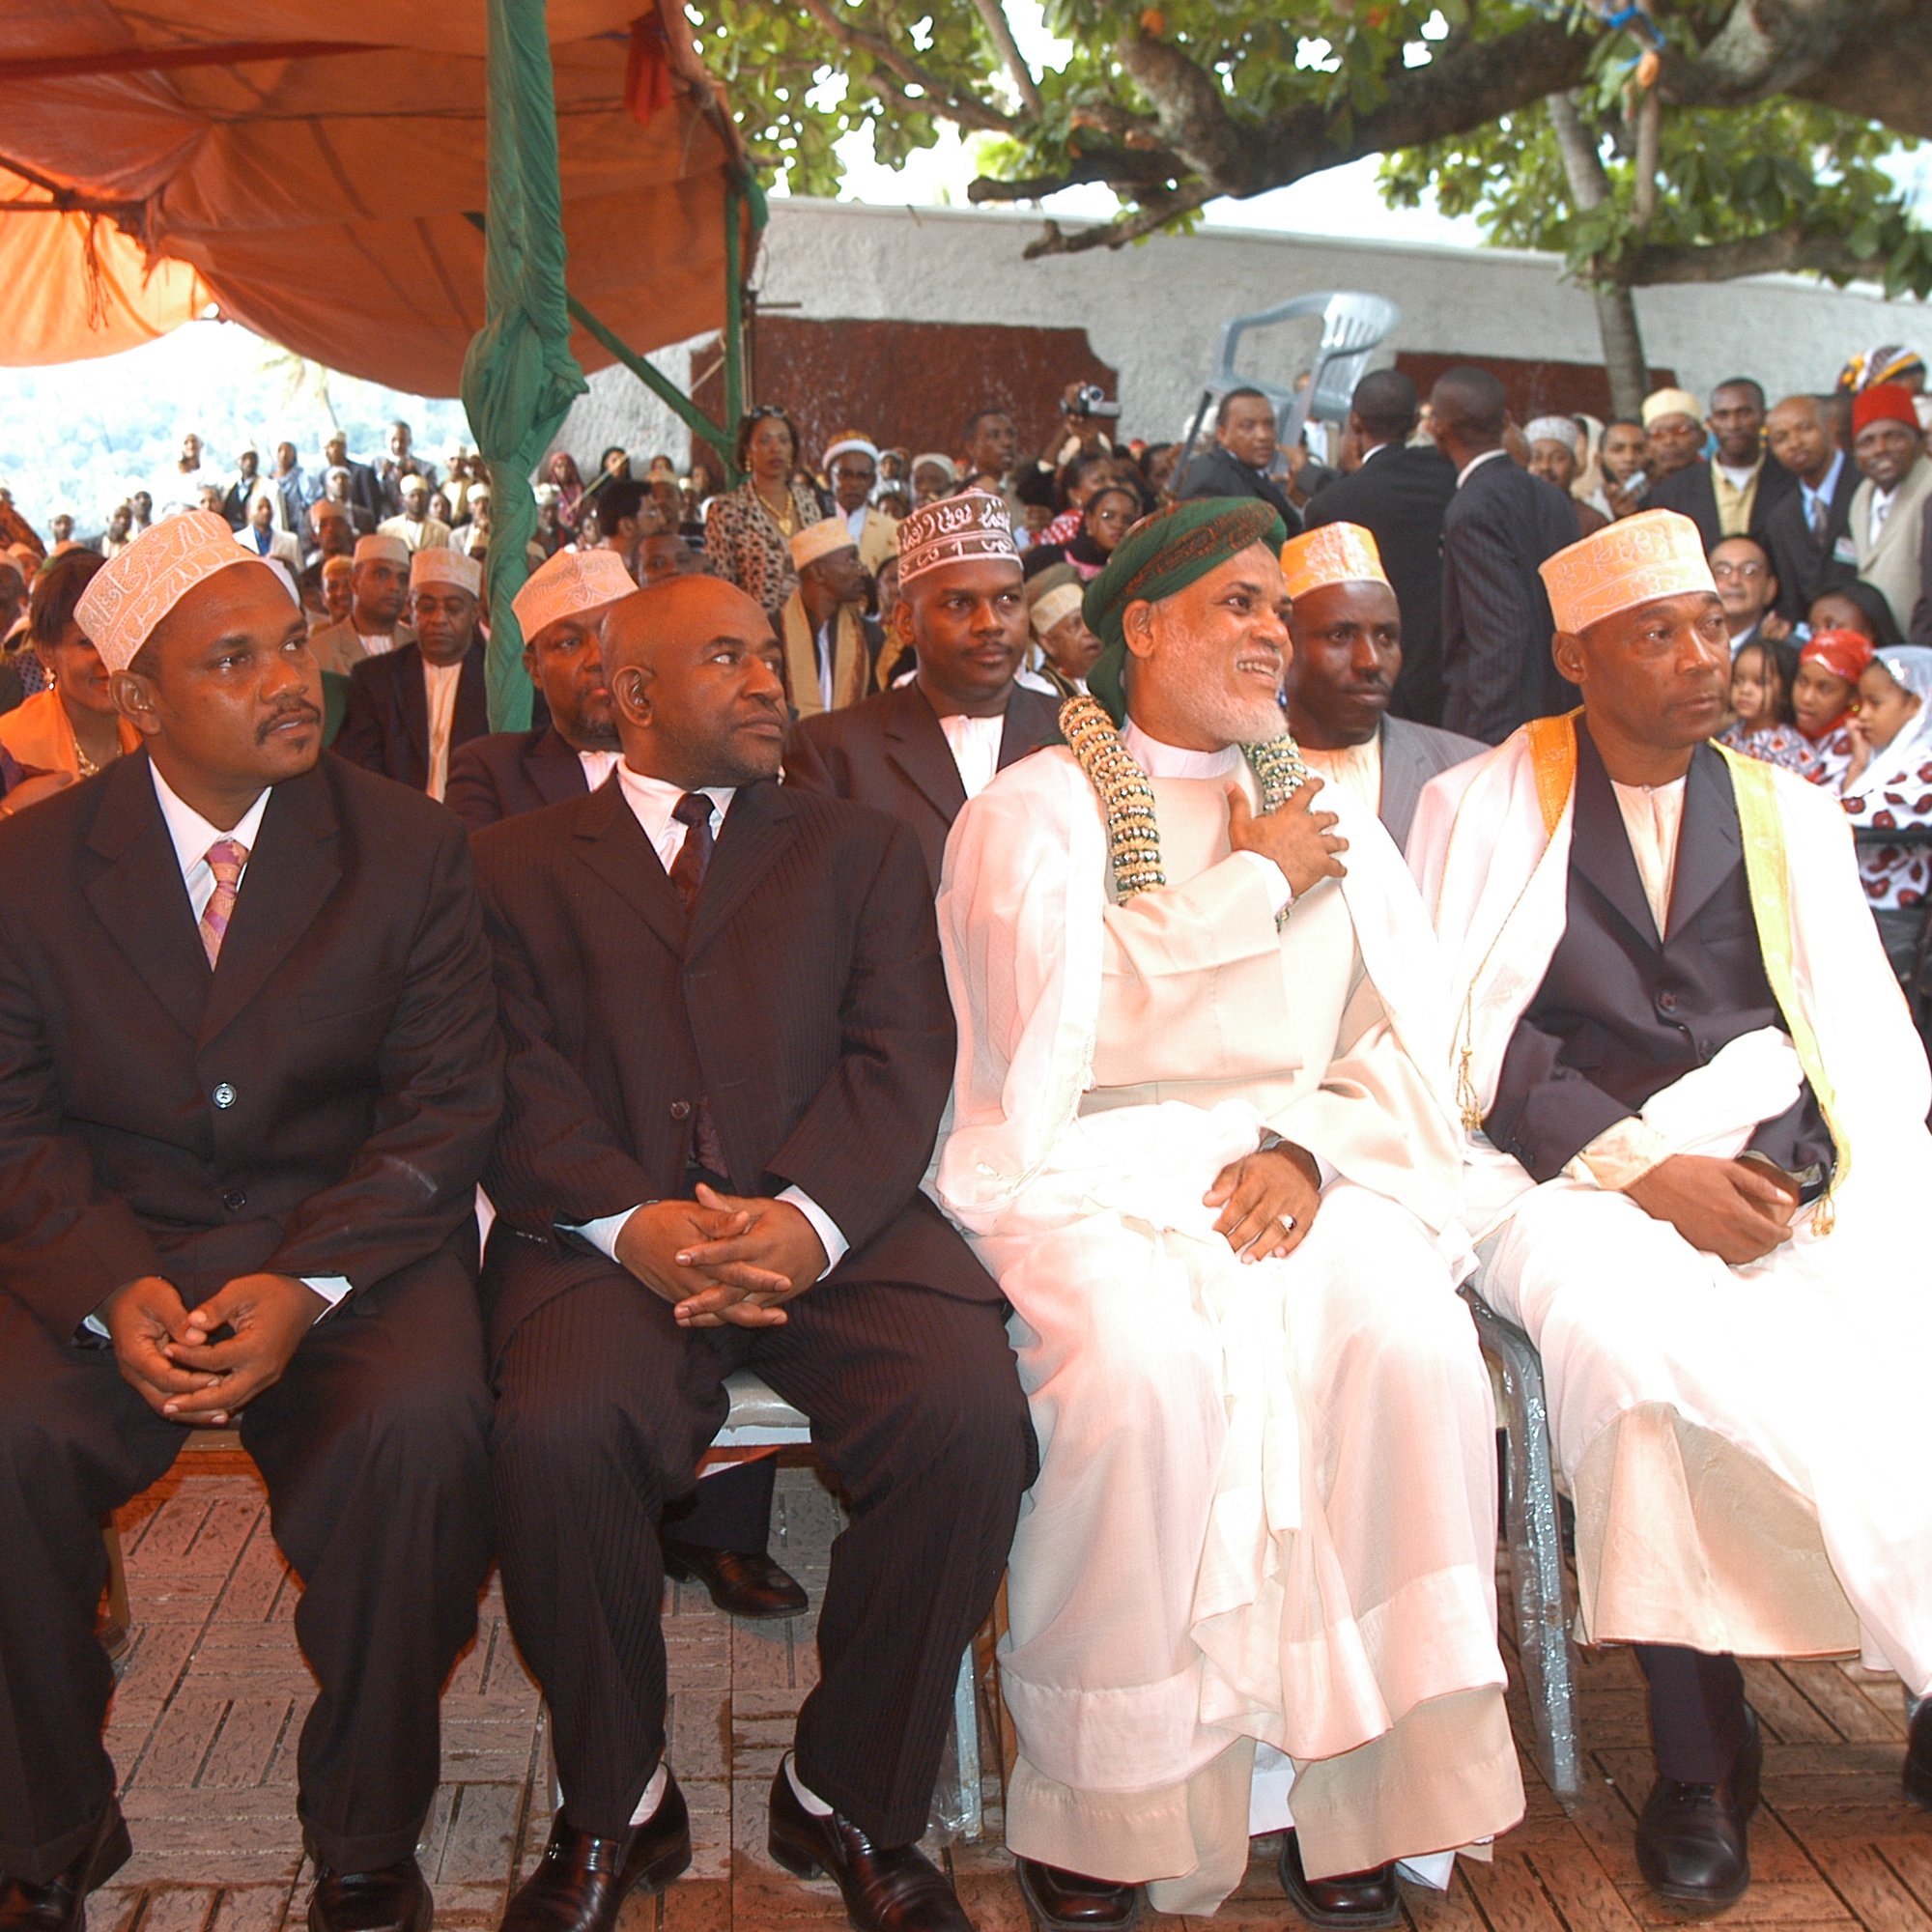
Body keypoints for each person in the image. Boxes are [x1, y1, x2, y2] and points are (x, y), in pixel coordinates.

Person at [933, 497, 1523, 1927]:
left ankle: (1365, 1780)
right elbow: (1061, 1036)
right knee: (1143, 1383)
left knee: (1407, 1349)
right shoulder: (1038, 810)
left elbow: (1402, 1043)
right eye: (1239, 607)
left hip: (1300, 1165)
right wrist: (1258, 883)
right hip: (1092, 1168)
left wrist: (1309, 1152)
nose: (1274, 634)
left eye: (1277, 608)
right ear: (1143, 627)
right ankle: (1117, 1800)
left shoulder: (1324, 811)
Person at [469, 573, 1031, 1932]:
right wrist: (631, 1222)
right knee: (554, 1434)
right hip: (603, 1238)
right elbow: (504, 1072)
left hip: (836, 1227)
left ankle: (851, 1796)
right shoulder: (514, 863)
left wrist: (805, 1221)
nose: (770, 679)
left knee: (967, 1422)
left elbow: (902, 1057)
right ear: (632, 691)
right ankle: (619, 1802)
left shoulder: (863, 850)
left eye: (770, 654)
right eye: (727, 657)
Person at [1410, 505, 1932, 1911]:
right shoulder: (1484, 802)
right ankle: (1702, 1762)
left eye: (1713, 625)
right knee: (1631, 1354)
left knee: (1905, 1302)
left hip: (1762, 1156)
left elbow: (1847, 1036)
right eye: (1662, 632)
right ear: (1576, 656)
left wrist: (1783, 1170)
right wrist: (1643, 1170)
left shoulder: (1789, 812)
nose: (1706, 657)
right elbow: (1464, 1040)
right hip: (1551, 1174)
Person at [0, 512, 500, 1932]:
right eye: (235, 661)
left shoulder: (408, 850)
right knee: (4, 1440)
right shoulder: (33, 868)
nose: (291, 680)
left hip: (346, 1248)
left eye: (293, 644)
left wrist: (310, 1282)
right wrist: (107, 1286)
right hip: (109, 1241)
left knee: (419, 1435)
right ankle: (45, 1827)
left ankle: (363, 1830)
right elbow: (12, 1125)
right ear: (139, 701)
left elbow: (446, 1108)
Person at [442, 547, 810, 1624]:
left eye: (607, 635)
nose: (592, 665)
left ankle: (716, 1531)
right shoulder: (499, 786)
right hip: (589, 1134)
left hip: (741, 1140)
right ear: (540, 665)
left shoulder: (764, 787)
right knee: (574, 1390)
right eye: (567, 643)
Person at [783, 493, 1061, 891]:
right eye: (959, 603)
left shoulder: (1080, 733)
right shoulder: (833, 752)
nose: (990, 623)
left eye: (1007, 599)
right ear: (905, 622)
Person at [1280, 523, 1486, 852]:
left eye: (1386, 637)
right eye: (1340, 636)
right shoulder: (1233, 780)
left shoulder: (1473, 774)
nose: (1371, 661)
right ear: (1283, 644)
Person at [1431, 366, 1579, 743]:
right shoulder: (1553, 498)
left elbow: (1500, 632)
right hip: (1562, 711)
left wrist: (1484, 745)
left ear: (1438, 429)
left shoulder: (1471, 508)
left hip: (1500, 726)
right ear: (1508, 421)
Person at [1303, 371, 1459, 725]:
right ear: (1417, 420)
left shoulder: (1335, 504)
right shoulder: (1450, 478)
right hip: (1446, 672)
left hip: (1368, 678)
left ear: (1354, 423)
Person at [333, 548, 489, 800]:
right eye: (427, 607)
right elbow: (361, 768)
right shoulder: (376, 679)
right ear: (411, 611)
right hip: (398, 821)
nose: (438, 619)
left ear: (474, 613)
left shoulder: (495, 682)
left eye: (453, 608)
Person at [0, 548, 140, 810]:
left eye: (118, 638)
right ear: (46, 652)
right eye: (87, 643)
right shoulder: (10, 747)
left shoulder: (158, 732)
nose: (107, 657)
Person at [1838, 644, 1932, 973]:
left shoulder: (1926, 769)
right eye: (1859, 702)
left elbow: (1851, 812)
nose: (1861, 714)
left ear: (1917, 704)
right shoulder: (1872, 752)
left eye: (1875, 703)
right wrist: (1859, 765)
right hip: (1848, 900)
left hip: (1890, 910)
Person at [702, 409, 824, 620]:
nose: (775, 448)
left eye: (784, 440)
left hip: (811, 624)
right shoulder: (727, 510)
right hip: (757, 628)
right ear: (748, 450)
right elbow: (722, 585)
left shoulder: (807, 501)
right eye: (765, 441)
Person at [1647, 379, 1795, 550]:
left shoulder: (1792, 479)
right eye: (1723, 415)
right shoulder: (1673, 491)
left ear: (1764, 417)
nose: (1733, 425)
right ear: (1711, 424)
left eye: (1744, 413)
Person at [1842, 384, 1932, 640]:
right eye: (1867, 442)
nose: (1880, 449)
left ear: (1920, 441)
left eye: (1894, 436)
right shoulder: (1862, 495)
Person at [1762, 394, 1860, 623]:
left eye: (1804, 429)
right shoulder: (1781, 517)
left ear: (1831, 427)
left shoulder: (1868, 486)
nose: (1794, 443)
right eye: (1781, 438)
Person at [780, 523, 879, 720]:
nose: (862, 571)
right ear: (818, 572)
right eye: (852, 560)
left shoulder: (870, 636)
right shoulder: (773, 633)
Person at [1176, 388, 1300, 529]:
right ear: (1222, 434)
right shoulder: (1211, 479)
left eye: (1269, 424)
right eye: (1248, 426)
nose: (1263, 435)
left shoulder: (1248, 470)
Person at [308, 533, 414, 677]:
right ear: (354, 582)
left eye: (402, 579)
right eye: (381, 575)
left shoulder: (419, 645)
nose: (395, 586)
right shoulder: (318, 652)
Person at [1791, 628, 1871, 787]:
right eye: (1803, 681)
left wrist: (1857, 766)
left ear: (1853, 696)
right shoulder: (1779, 725)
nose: (1807, 698)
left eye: (1825, 688)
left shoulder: (1853, 745)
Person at [1718, 637, 1810, 774]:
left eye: (1760, 683)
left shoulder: (1787, 747)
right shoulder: (1731, 733)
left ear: (1785, 690)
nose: (1745, 690)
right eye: (1738, 681)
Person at [1020, 481, 1137, 582]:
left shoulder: (1129, 576)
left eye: (1128, 520)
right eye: (1108, 516)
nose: (1118, 525)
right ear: (1088, 520)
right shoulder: (1045, 558)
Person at [821, 433, 897, 575]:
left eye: (862, 476)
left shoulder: (891, 530)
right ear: (828, 477)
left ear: (873, 481)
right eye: (845, 475)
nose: (854, 484)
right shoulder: (811, 522)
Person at [1524, 416, 1608, 538]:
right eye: (1536, 458)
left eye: (1557, 458)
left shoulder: (1592, 522)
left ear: (1574, 466)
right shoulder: (1513, 516)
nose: (1545, 466)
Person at [1026, 572, 1101, 697]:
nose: (1089, 631)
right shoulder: (1042, 693)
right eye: (1076, 625)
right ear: (1049, 643)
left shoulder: (1117, 676)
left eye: (1090, 620)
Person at [1709, 535, 1780, 655]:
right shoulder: (1687, 644)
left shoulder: (1784, 652)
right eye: (1723, 571)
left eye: (1749, 571)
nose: (1734, 580)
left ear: (1770, 588)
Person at [1639, 387, 1707, 483]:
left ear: (1702, 438)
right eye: (1658, 434)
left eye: (1681, 431)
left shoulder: (1719, 481)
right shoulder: (1638, 491)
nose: (1669, 441)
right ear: (1646, 444)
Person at [377, 474, 453, 554]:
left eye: (421, 496)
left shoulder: (443, 530)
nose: (417, 500)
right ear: (402, 500)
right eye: (412, 496)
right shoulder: (386, 530)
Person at [376, 419, 439, 514]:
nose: (397, 445)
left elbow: (432, 496)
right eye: (393, 440)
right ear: (386, 441)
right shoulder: (376, 464)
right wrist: (382, 476)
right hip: (386, 521)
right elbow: (371, 495)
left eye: (402, 440)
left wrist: (416, 475)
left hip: (418, 520)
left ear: (410, 441)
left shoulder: (426, 468)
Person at [1600, 416, 1651, 519]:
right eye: (1618, 450)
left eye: (1638, 449)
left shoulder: (1664, 502)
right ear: (1598, 459)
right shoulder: (1588, 512)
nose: (1629, 458)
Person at [237, 491, 300, 568]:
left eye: (268, 507)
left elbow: (299, 573)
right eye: (260, 508)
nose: (266, 511)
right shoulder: (238, 541)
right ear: (248, 512)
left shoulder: (291, 541)